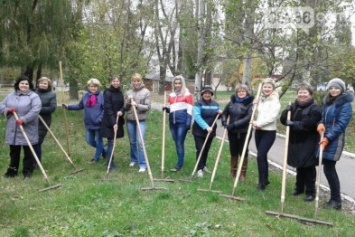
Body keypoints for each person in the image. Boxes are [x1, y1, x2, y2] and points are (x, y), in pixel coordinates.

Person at [280, 84, 322, 202]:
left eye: (305, 92)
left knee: (308, 167)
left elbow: (308, 125)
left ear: (310, 94)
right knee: (299, 166)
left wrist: (293, 124)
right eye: (300, 92)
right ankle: (299, 187)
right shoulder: (294, 106)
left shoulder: (315, 108)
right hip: (295, 141)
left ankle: (310, 192)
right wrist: (285, 113)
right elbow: (283, 120)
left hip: (309, 141)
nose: (302, 94)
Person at [317, 78, 354, 210]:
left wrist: (328, 138)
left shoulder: (345, 105)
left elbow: (341, 125)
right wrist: (320, 123)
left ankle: (336, 200)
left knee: (329, 169)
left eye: (336, 88)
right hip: (325, 138)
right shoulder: (328, 102)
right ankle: (334, 198)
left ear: (342, 89)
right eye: (331, 88)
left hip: (335, 140)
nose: (333, 90)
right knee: (327, 169)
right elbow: (323, 117)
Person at [0, 75, 42, 178]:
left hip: (27, 127)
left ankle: (27, 172)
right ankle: (12, 172)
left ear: (29, 85)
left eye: (26, 84)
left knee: (28, 151)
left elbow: (35, 110)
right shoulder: (11, 95)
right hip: (13, 127)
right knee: (14, 151)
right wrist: (7, 110)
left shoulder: (34, 96)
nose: (24, 85)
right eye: (22, 83)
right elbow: (1, 105)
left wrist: (24, 119)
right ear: (18, 84)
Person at [63, 78, 105, 164]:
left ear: (98, 87)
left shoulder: (101, 95)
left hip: (98, 123)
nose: (93, 88)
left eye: (95, 86)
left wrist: (100, 118)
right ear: (88, 87)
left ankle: (96, 158)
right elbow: (80, 106)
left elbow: (105, 109)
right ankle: (104, 151)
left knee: (99, 140)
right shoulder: (86, 95)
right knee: (89, 140)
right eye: (91, 86)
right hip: (88, 122)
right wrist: (68, 107)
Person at [252, 78, 281, 191]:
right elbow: (255, 113)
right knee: (262, 156)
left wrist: (259, 123)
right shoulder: (261, 99)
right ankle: (265, 179)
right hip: (259, 131)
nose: (267, 89)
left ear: (273, 89)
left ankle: (261, 183)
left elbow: (272, 117)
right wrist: (254, 104)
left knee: (260, 155)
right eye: (265, 87)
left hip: (268, 132)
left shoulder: (275, 101)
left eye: (269, 87)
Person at [221, 84, 254, 180]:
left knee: (243, 151)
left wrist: (234, 124)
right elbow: (225, 113)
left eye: (243, 91)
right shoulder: (232, 102)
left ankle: (242, 174)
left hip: (244, 132)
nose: (241, 93)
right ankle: (233, 171)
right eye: (239, 91)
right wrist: (224, 121)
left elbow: (248, 117)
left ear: (247, 92)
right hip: (232, 131)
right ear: (236, 92)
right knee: (233, 151)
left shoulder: (250, 104)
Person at [163, 75, 193, 172]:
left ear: (182, 83)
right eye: (176, 83)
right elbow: (172, 109)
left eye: (179, 83)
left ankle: (179, 164)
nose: (177, 85)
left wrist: (188, 123)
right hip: (173, 123)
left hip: (182, 122)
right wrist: (166, 109)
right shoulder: (171, 95)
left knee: (179, 142)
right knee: (177, 142)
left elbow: (189, 109)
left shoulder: (187, 95)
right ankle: (180, 159)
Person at [192, 85, 222, 177]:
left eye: (209, 93)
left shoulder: (215, 104)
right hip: (199, 131)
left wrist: (220, 113)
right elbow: (197, 117)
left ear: (211, 94)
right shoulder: (198, 104)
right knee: (200, 149)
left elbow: (218, 116)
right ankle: (199, 168)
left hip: (211, 131)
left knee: (206, 150)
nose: (207, 94)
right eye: (205, 93)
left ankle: (203, 165)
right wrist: (206, 127)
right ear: (202, 94)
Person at [124, 73, 151, 172]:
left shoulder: (146, 92)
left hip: (141, 120)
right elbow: (125, 108)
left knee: (140, 142)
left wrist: (137, 105)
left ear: (141, 81)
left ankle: (143, 164)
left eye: (138, 81)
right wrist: (128, 101)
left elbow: (148, 107)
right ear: (132, 81)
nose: (136, 83)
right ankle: (134, 159)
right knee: (132, 142)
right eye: (134, 81)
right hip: (130, 120)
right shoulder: (128, 92)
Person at [101, 76, 125, 171]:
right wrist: (113, 123)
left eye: (117, 81)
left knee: (112, 142)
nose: (116, 82)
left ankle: (110, 160)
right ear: (111, 82)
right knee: (111, 141)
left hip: (118, 119)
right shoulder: (107, 93)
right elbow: (108, 108)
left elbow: (123, 105)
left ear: (119, 82)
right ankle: (110, 163)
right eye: (114, 81)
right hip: (109, 121)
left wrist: (121, 111)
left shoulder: (119, 93)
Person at [33, 76, 57, 164]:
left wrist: (38, 109)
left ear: (48, 85)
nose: (43, 85)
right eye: (41, 83)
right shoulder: (33, 93)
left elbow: (52, 108)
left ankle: (36, 162)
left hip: (44, 121)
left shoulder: (52, 94)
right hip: (32, 121)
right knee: (31, 142)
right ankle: (31, 161)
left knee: (37, 141)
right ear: (38, 84)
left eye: (45, 83)